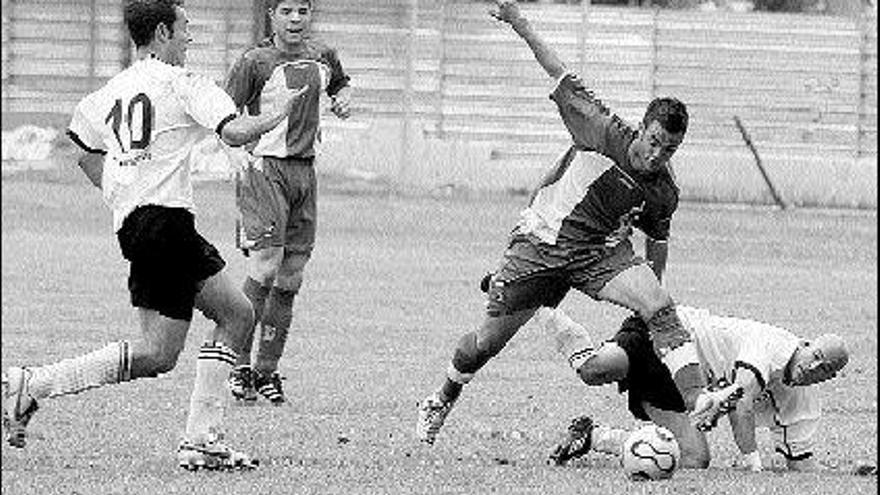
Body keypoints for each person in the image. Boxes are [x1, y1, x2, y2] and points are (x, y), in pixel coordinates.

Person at [1, 0, 307, 470]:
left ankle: (37, 385)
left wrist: (124, 191)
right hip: (166, 223)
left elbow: (82, 149)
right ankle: (196, 440)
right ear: (163, 32)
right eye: (186, 29)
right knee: (213, 327)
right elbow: (235, 132)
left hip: (137, 225)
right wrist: (278, 113)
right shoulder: (184, 84)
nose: (190, 39)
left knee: (187, 338)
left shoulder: (111, 90)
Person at [416, 0, 711, 446]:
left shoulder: (664, 189)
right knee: (485, 344)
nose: (656, 155)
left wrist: (649, 305)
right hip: (542, 243)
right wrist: (518, 20)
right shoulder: (601, 128)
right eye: (653, 141)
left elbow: (658, 240)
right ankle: (442, 397)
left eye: (668, 149)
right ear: (642, 127)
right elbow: (557, 68)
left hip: (600, 254)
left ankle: (700, 401)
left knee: (661, 305)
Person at [223, 0, 351, 405]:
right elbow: (224, 115)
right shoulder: (255, 61)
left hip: (304, 173)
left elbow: (341, 84)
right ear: (271, 16)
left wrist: (344, 98)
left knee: (291, 277)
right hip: (265, 170)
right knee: (264, 267)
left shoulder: (323, 55)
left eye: (302, 10)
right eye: (286, 11)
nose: (295, 19)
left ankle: (266, 371)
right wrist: (236, 156)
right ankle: (238, 366)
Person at [539, 306, 849, 472]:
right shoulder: (773, 345)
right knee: (593, 370)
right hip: (669, 335)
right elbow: (742, 400)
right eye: (816, 357)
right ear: (805, 344)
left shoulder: (802, 401)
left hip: (684, 385)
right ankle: (543, 308)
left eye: (825, 369)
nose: (813, 367)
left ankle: (592, 436)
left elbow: (801, 462)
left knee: (693, 458)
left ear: (830, 378)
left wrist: (849, 476)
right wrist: (753, 467)